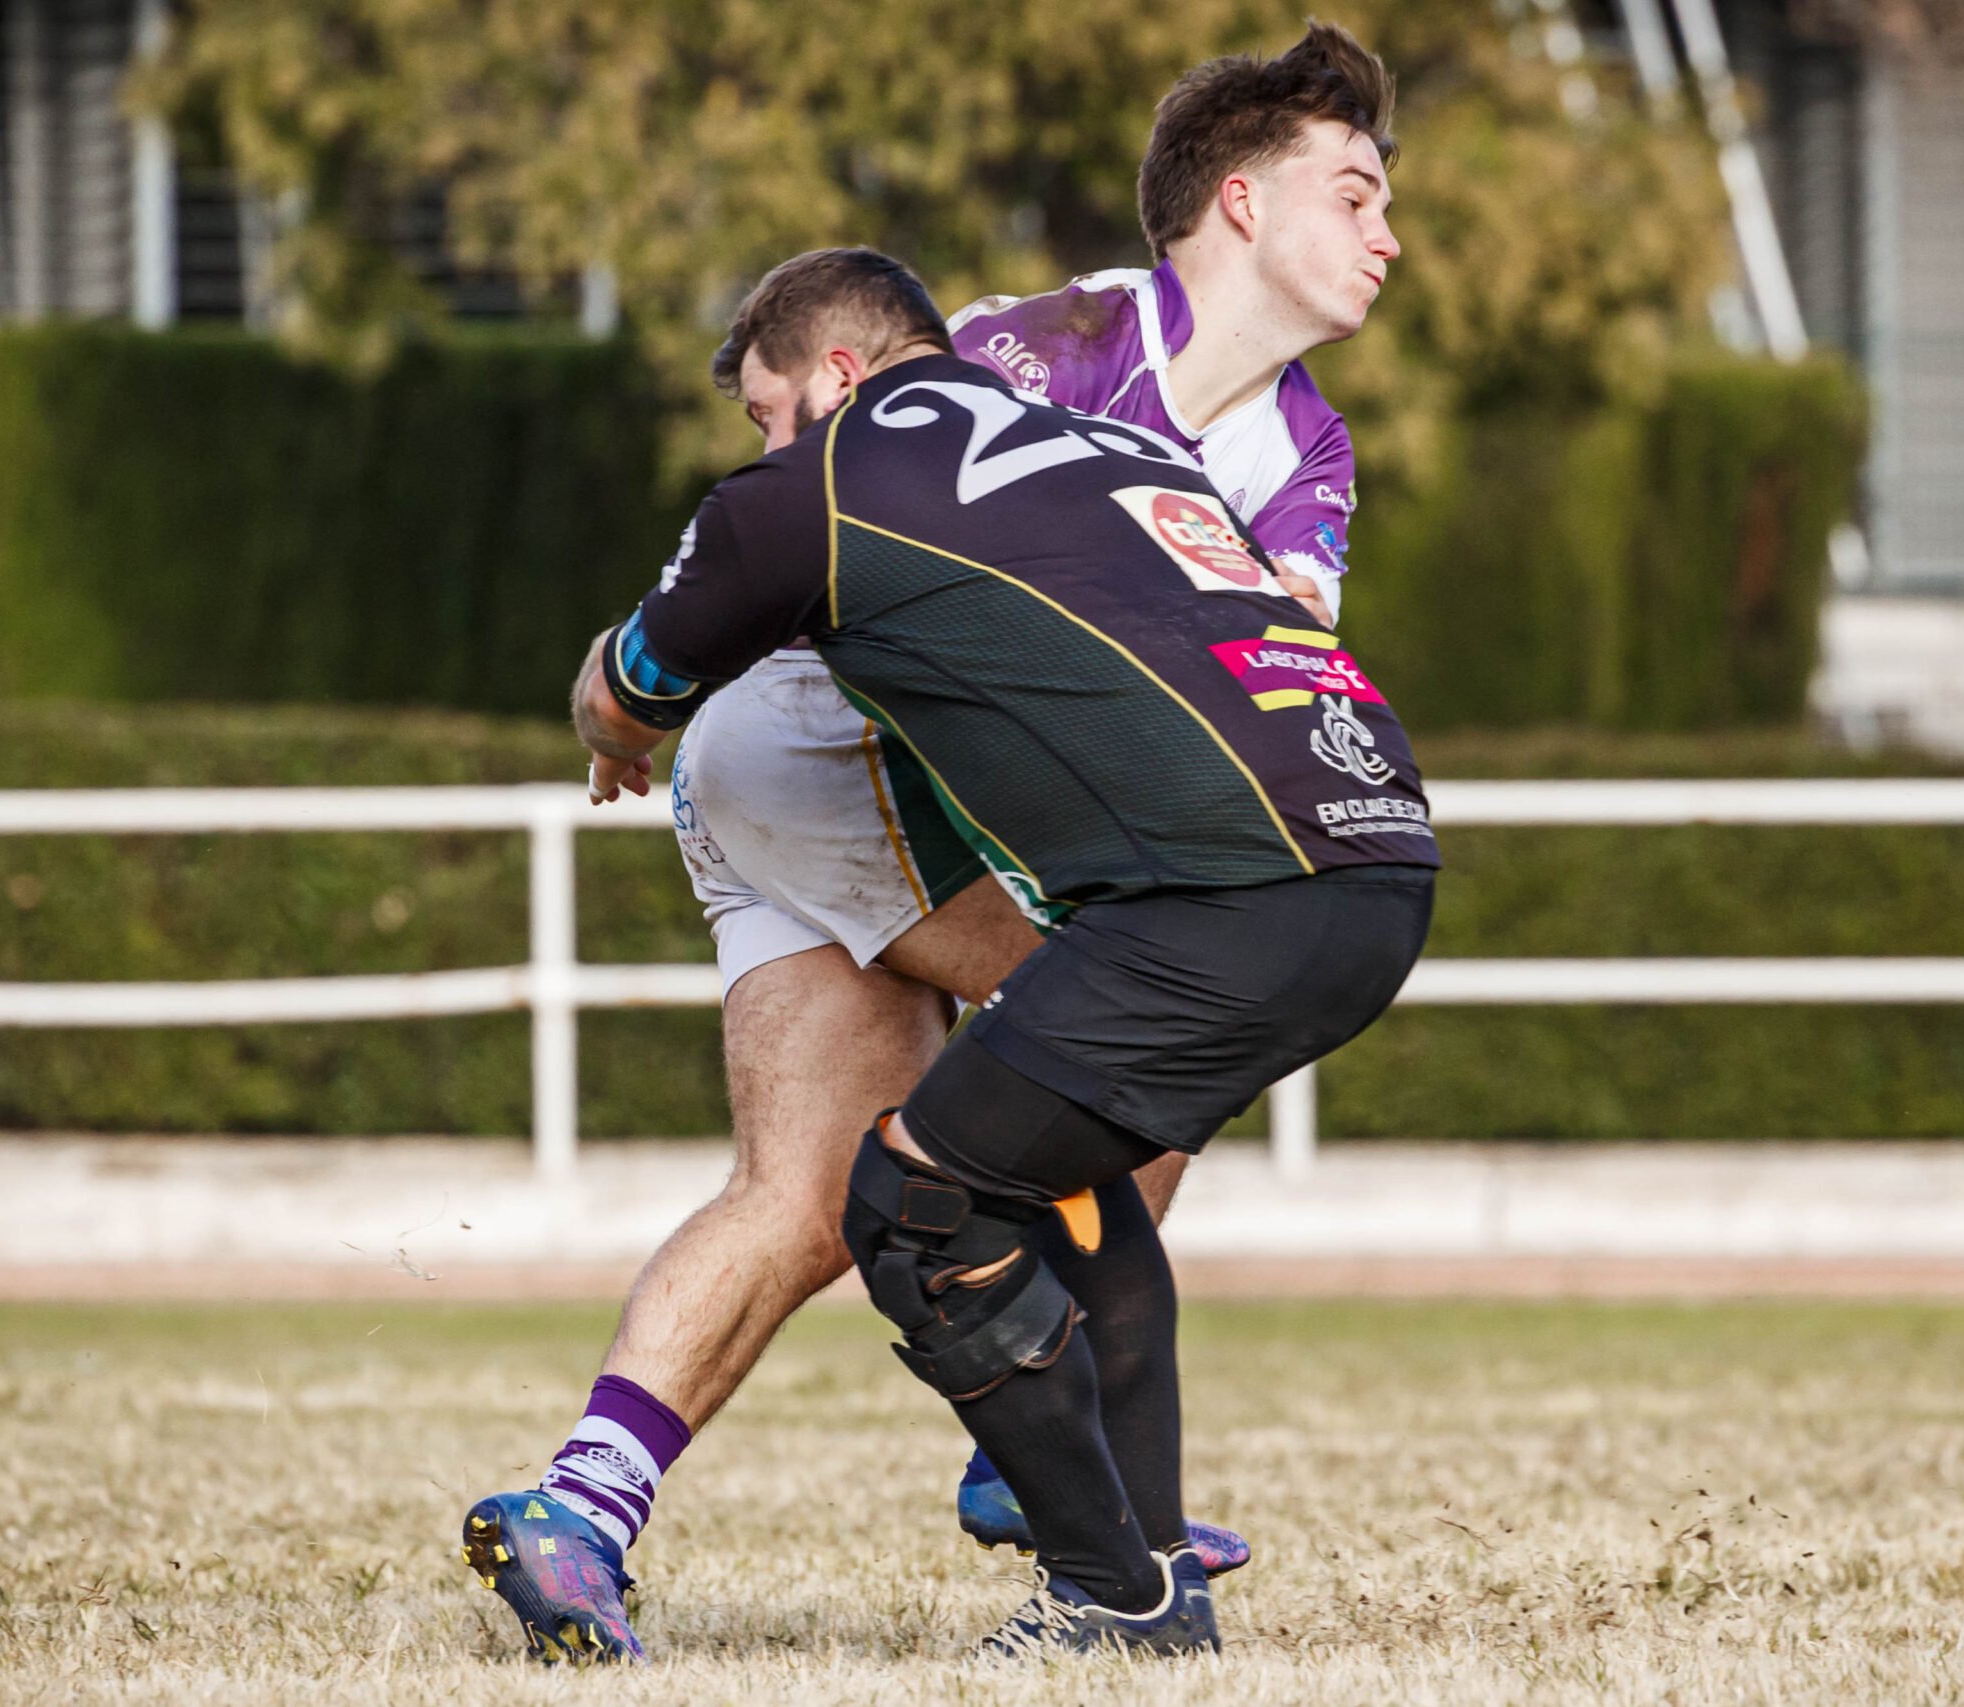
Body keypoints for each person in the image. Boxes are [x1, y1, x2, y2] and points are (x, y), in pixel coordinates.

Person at [460, 22, 1403, 1664]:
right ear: (1240, 205)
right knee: (1143, 1023)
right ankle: (1050, 1470)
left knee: (809, 1192)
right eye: (1357, 191)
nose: (1389, 234)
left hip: (788, 774)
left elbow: (1254, 660)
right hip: (835, 744)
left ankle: (581, 1510)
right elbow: (831, 505)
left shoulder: (1308, 452)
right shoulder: (1056, 343)